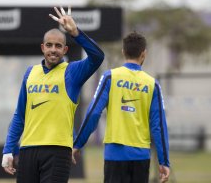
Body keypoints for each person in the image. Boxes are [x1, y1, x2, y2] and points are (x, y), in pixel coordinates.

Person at [1, 6, 104, 183]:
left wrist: (75, 32)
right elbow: (19, 114)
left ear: (65, 50)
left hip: (58, 152)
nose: (53, 49)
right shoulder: (30, 73)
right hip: (28, 150)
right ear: (43, 47)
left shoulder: (72, 71)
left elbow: (97, 57)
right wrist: (8, 149)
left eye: (58, 46)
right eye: (49, 45)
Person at [72, 31, 170, 183]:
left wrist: (78, 144)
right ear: (144, 54)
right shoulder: (152, 84)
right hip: (141, 157)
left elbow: (93, 113)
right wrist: (164, 161)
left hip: (114, 156)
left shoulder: (110, 77)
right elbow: (159, 126)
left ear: (123, 51)